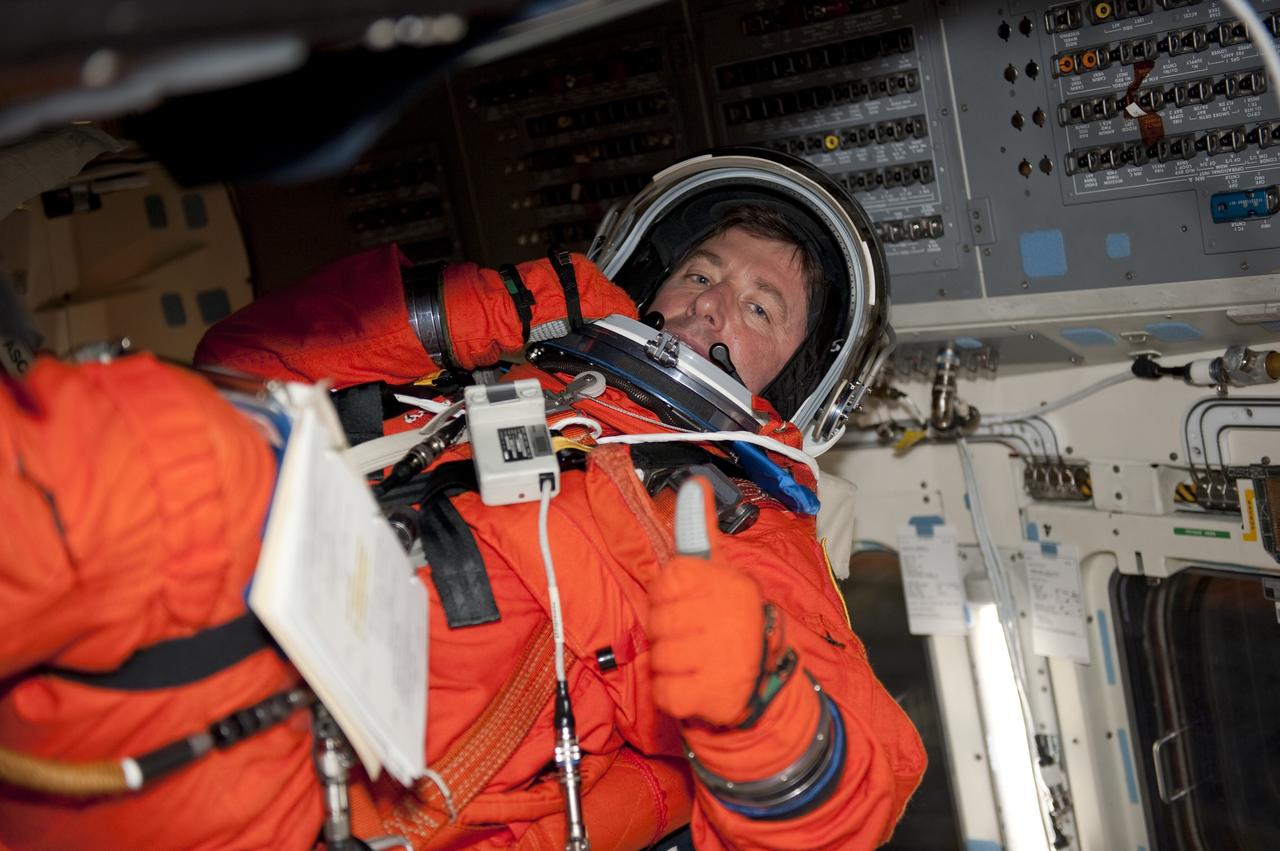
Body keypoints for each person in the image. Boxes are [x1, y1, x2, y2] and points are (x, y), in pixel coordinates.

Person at [0, 148, 924, 849]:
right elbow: (244, 367)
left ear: (793, 378)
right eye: (702, 271)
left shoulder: (747, 524)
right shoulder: (514, 365)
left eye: (762, 307)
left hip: (329, 779)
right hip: (208, 592)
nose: (715, 304)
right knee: (134, 436)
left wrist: (761, 710)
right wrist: (496, 308)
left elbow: (858, 799)